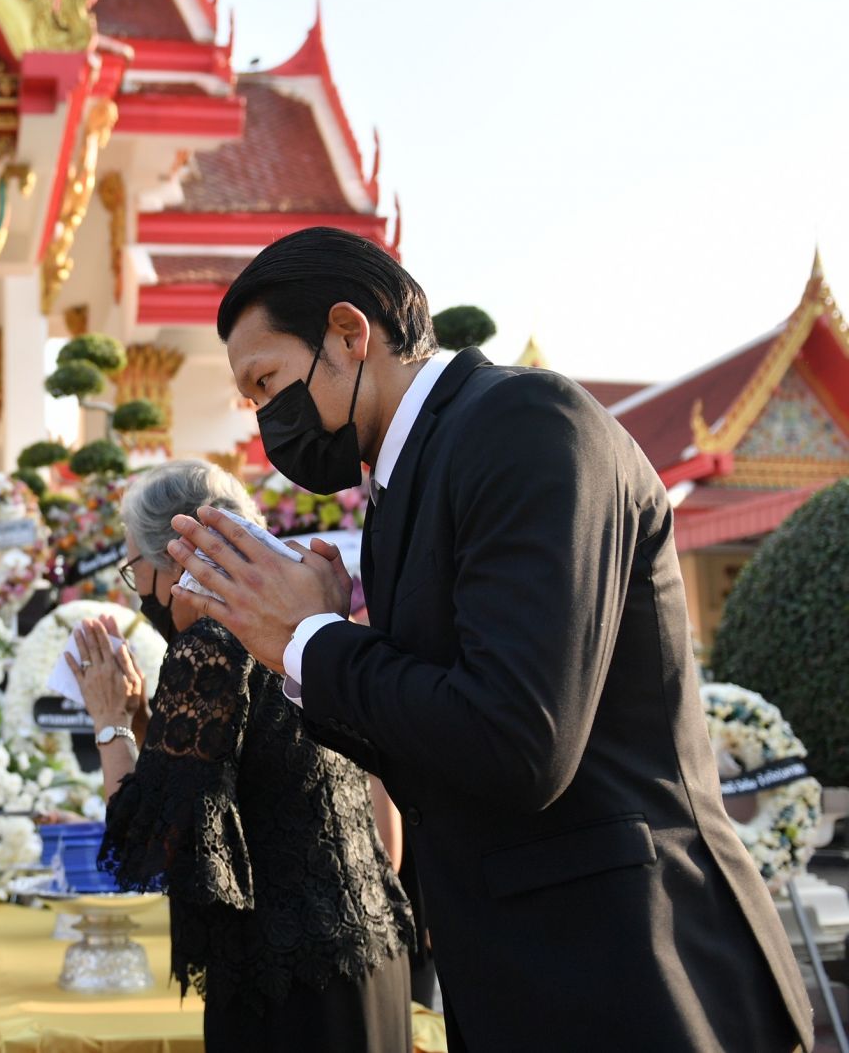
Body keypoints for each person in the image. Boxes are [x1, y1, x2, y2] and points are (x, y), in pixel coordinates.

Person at [168, 226, 812, 1052]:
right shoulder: (403, 486)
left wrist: (314, 640)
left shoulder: (524, 423)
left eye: (268, 382)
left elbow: (519, 737)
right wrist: (305, 645)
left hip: (632, 970)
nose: (268, 422)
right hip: (518, 978)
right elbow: (436, 751)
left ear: (349, 332)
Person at [78, 459, 413, 1053]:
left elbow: (150, 843)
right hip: (370, 952)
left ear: (175, 558)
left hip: (287, 984)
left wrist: (108, 726)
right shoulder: (301, 623)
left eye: (135, 569)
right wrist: (140, 722)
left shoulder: (210, 643)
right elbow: (241, 776)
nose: (141, 594)